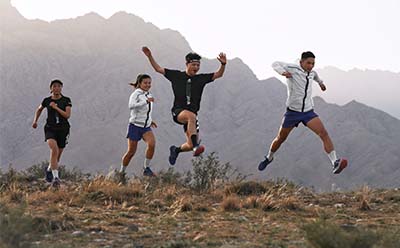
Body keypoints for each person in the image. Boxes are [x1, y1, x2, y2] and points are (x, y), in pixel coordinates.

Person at [258, 51, 348, 174]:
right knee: (280, 138)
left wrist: (321, 83)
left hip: (307, 111)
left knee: (323, 133)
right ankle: (269, 157)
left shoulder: (312, 73)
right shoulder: (293, 68)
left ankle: (335, 162)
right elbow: (275, 64)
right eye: (308, 63)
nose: (311, 66)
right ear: (301, 62)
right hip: (292, 112)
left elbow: (316, 76)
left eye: (313, 63)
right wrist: (282, 72)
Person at [142, 46, 227, 165]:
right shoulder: (176, 76)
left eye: (198, 65)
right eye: (193, 65)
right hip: (178, 111)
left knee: (190, 144)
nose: (196, 68)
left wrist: (223, 64)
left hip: (192, 116)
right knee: (191, 117)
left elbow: (219, 74)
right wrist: (150, 56)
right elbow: (158, 69)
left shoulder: (201, 79)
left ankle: (176, 150)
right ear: (187, 64)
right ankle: (196, 146)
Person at [32, 79, 72, 187]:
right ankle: (56, 178)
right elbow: (39, 109)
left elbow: (67, 115)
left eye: (59, 86)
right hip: (50, 129)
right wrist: (35, 121)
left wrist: (56, 108)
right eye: (54, 86)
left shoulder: (66, 100)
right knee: (54, 149)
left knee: (57, 156)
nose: (56, 88)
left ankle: (49, 169)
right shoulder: (46, 100)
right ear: (51, 88)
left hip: (63, 129)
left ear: (61, 88)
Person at [120, 74, 157, 177]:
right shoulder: (136, 94)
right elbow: (131, 106)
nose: (148, 85)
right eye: (145, 83)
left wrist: (150, 120)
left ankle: (146, 168)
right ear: (140, 83)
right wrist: (145, 101)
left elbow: (146, 111)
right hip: (135, 126)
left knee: (152, 144)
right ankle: (121, 173)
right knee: (131, 152)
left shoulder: (149, 95)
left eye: (149, 83)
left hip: (146, 127)